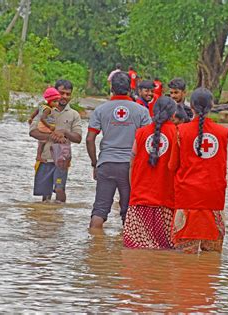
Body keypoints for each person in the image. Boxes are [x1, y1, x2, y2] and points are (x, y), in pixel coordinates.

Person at [86, 71, 152, 229]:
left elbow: (90, 139)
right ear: (130, 88)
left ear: (111, 88)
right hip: (130, 167)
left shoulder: (100, 110)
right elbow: (149, 140)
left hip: (106, 163)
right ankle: (125, 252)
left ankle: (94, 248)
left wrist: (95, 163)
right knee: (128, 211)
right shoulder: (142, 111)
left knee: (100, 211)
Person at [168, 87, 228, 254]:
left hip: (187, 198)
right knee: (212, 257)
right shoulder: (223, 132)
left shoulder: (181, 131)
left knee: (184, 256)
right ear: (212, 105)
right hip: (214, 199)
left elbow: (172, 166)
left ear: (191, 107)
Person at [123, 96, 177, 249]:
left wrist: (134, 189)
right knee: (164, 252)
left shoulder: (141, 133)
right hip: (166, 202)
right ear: (173, 115)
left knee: (135, 252)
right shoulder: (177, 134)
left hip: (140, 200)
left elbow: (131, 164)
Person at [29, 79, 83, 203]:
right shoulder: (45, 110)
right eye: (62, 93)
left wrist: (64, 132)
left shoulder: (74, 114)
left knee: (60, 190)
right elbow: (32, 132)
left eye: (68, 94)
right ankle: (47, 219)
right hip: (44, 158)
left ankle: (59, 218)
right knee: (45, 196)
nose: (64, 97)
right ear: (54, 92)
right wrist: (51, 137)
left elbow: (78, 138)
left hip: (62, 159)